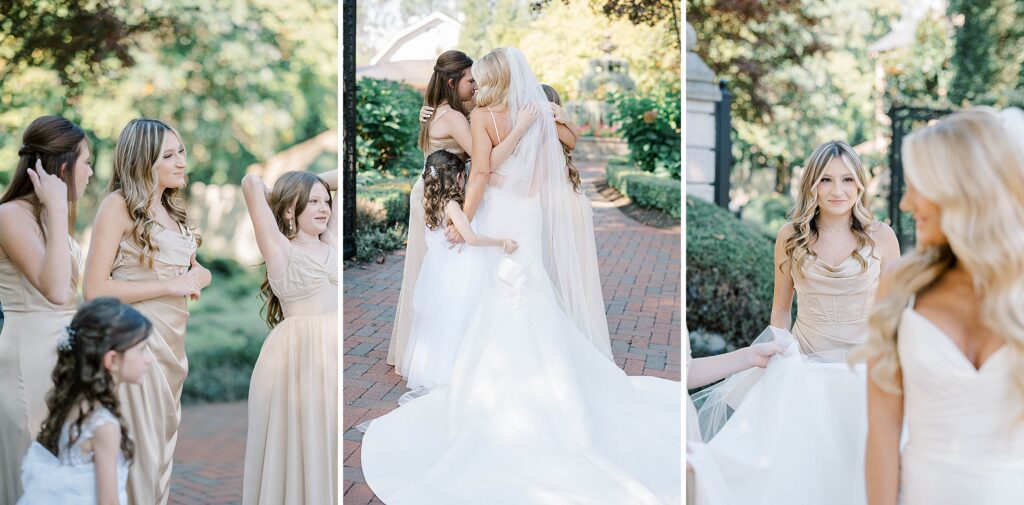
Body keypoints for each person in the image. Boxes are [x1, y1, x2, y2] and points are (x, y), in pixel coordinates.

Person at [360, 47, 681, 504]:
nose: (478, 84)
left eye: (483, 76)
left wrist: (464, 221)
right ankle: (552, 383)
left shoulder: (485, 117)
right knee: (528, 288)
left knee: (498, 289)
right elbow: (569, 142)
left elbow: (482, 174)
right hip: (528, 213)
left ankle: (502, 389)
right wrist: (554, 117)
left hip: (498, 207)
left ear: (495, 77)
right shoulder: (531, 109)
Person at [688, 140, 900, 505]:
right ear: (812, 185)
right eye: (826, 180)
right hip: (805, 367)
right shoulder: (791, 236)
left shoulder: (882, 237)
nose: (838, 191)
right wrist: (780, 353)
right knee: (801, 469)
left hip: (864, 368)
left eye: (848, 180)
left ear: (861, 185)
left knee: (857, 466)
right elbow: (781, 309)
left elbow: (893, 311)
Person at [859, 107, 1024, 505]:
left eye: (918, 186)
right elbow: (882, 436)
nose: (905, 203)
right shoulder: (901, 286)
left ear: (963, 190)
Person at [83, 118, 211, 505]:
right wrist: (170, 285)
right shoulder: (118, 206)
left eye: (181, 152)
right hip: (136, 343)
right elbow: (93, 289)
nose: (181, 162)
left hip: (174, 350)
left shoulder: (172, 210)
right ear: (143, 162)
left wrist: (197, 277)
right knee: (138, 452)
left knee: (160, 454)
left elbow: (192, 272)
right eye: (168, 156)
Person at [0, 115, 92, 504]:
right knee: (34, 469)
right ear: (64, 166)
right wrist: (56, 210)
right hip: (30, 356)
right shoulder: (10, 215)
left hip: (62, 353)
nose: (90, 173)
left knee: (62, 470)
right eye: (87, 162)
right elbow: (55, 290)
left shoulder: (50, 215)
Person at [240, 170, 339, 504]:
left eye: (326, 200)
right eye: (312, 202)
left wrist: (308, 186)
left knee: (327, 439)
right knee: (298, 443)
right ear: (287, 211)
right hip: (294, 358)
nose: (324, 207)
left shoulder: (333, 242)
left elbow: (339, 176)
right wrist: (288, 191)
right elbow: (251, 183)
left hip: (332, 353)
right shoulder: (280, 248)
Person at [401, 150, 517, 391]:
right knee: (463, 316)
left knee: (444, 320)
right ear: (458, 178)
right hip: (460, 267)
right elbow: (471, 239)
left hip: (439, 269)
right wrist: (502, 242)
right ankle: (461, 371)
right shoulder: (452, 205)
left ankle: (441, 369)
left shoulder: (431, 203)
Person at [18, 297, 152, 505]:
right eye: (142, 349)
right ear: (112, 360)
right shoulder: (104, 425)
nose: (148, 359)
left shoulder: (71, 403)